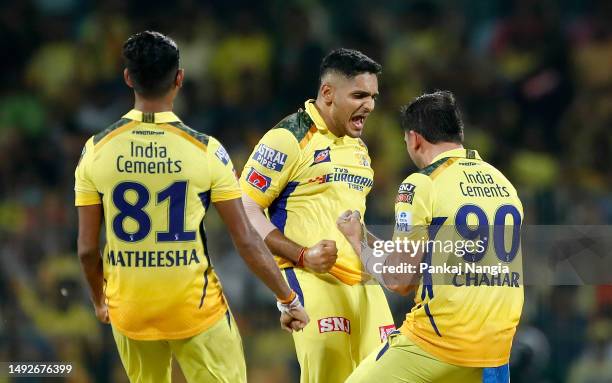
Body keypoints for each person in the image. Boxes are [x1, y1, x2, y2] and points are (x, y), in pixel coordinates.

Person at [74, 31, 308, 383]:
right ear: (179, 78)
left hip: (130, 310)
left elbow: (88, 249)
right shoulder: (207, 150)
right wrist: (288, 298)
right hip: (194, 308)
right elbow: (244, 239)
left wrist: (99, 301)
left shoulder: (95, 149)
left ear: (128, 78)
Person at [339, 91, 524, 383]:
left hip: (437, 345)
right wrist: (366, 235)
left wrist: (356, 243)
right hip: (495, 355)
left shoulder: (421, 184)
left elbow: (400, 279)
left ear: (414, 139)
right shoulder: (503, 183)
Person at [240, 48, 394, 383]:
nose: (369, 105)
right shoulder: (288, 137)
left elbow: (352, 222)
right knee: (330, 372)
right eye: (358, 95)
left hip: (364, 285)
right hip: (312, 280)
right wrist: (301, 255)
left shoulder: (359, 148)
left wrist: (382, 254)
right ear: (327, 93)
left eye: (373, 96)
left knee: (387, 375)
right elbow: (245, 207)